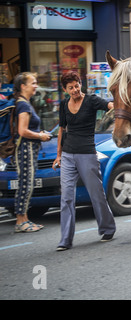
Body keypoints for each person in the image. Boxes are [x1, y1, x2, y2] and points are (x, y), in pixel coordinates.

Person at [53, 71, 116, 251]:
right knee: (66, 197)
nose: (75, 90)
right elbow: (61, 130)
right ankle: (65, 239)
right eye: (70, 87)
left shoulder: (91, 100)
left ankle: (107, 228)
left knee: (96, 194)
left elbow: (109, 105)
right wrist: (58, 155)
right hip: (67, 155)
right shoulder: (64, 105)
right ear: (65, 89)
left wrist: (117, 106)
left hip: (87, 154)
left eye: (77, 85)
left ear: (81, 84)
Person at [13, 72, 52, 232]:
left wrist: (39, 133)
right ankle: (20, 221)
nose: (36, 86)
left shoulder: (24, 103)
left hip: (29, 148)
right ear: (23, 86)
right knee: (26, 184)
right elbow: (22, 131)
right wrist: (41, 136)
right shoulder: (23, 105)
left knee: (27, 184)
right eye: (33, 83)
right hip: (26, 148)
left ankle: (25, 219)